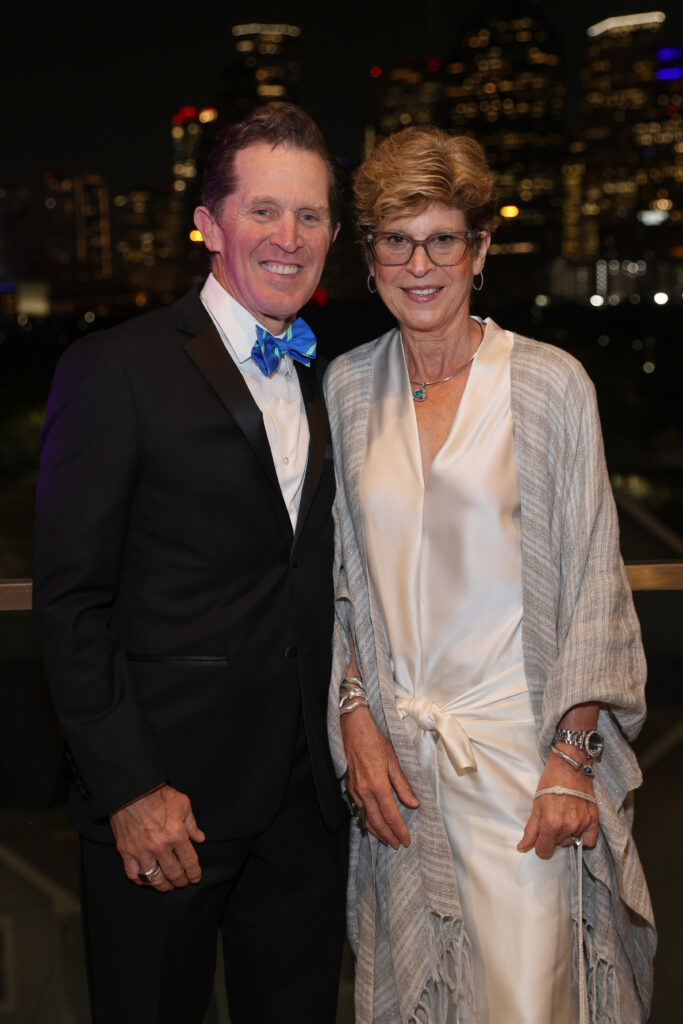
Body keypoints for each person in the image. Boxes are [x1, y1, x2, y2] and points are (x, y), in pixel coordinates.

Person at [324, 125, 656, 1024]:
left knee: (524, 998)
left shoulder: (549, 384)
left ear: (480, 248)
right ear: (370, 254)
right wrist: (354, 718)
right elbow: (344, 585)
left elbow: (592, 581)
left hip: (522, 772)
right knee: (412, 996)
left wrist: (569, 759)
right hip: (397, 771)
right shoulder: (349, 388)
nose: (419, 262)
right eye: (396, 239)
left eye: (442, 238)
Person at [33, 104, 348, 1024]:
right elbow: (71, 601)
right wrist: (129, 787)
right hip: (166, 809)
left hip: (304, 810)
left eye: (311, 216)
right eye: (263, 211)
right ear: (208, 223)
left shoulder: (331, 381)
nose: (288, 239)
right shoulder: (113, 367)